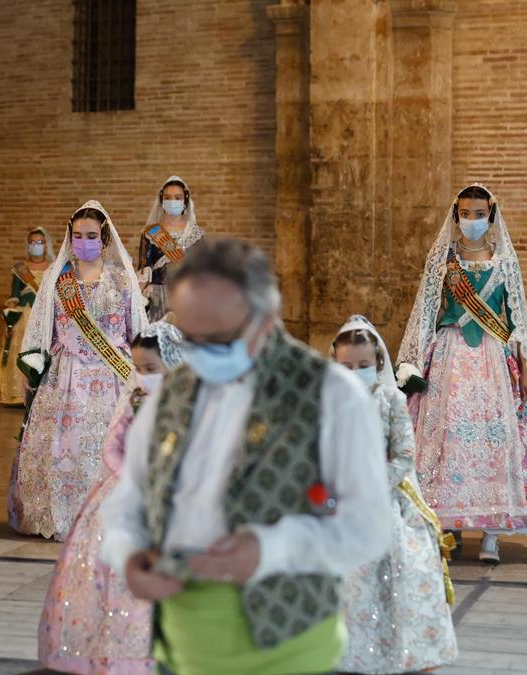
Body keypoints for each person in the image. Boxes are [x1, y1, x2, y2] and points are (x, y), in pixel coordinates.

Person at [99, 237, 392, 675]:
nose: (203, 353)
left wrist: (270, 549)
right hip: (180, 651)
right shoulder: (173, 394)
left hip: (289, 651)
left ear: (267, 318)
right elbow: (130, 500)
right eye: (191, 337)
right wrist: (129, 553)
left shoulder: (330, 394)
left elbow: (367, 527)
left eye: (219, 337)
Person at [398, 184, 527, 565]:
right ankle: (450, 527)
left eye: (478, 214)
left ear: (490, 215)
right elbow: (424, 315)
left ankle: (492, 535)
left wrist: (526, 368)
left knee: (494, 437)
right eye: (464, 213)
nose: (471, 220)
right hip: (449, 356)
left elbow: (518, 320)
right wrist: (412, 362)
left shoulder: (505, 262)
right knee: (447, 437)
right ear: (455, 214)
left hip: (492, 358)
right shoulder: (442, 261)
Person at [38, 319, 184, 674]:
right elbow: (112, 446)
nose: (142, 375)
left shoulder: (187, 405)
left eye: (150, 368)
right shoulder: (135, 400)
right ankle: (117, 645)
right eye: (137, 368)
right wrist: (128, 476)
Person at [7, 200, 146, 541]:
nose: (84, 241)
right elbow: (41, 327)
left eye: (92, 235)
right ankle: (62, 513)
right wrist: (32, 367)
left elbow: (137, 331)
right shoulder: (58, 281)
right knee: (63, 448)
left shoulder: (121, 281)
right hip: (66, 376)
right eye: (78, 235)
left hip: (112, 377)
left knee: (110, 447)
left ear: (105, 239)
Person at [332, 315, 458, 674]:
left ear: (378, 364)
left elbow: (404, 455)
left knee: (403, 567)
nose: (355, 372)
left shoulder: (390, 402)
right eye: (346, 366)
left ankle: (400, 648)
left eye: (363, 365)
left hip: (381, 500)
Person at [0, 227, 54, 405]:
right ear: (28, 246)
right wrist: (9, 316)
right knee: (21, 351)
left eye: (40, 242)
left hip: (45, 316)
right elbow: (14, 295)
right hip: (25, 316)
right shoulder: (20, 269)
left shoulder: (53, 267)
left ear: (46, 245)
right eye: (33, 242)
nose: (36, 246)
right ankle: (17, 394)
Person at [137, 176, 203, 322]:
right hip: (158, 301)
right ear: (162, 200)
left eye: (177, 197)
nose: (172, 201)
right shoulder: (150, 232)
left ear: (185, 200)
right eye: (168, 197)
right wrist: (135, 299)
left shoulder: (196, 234)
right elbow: (144, 273)